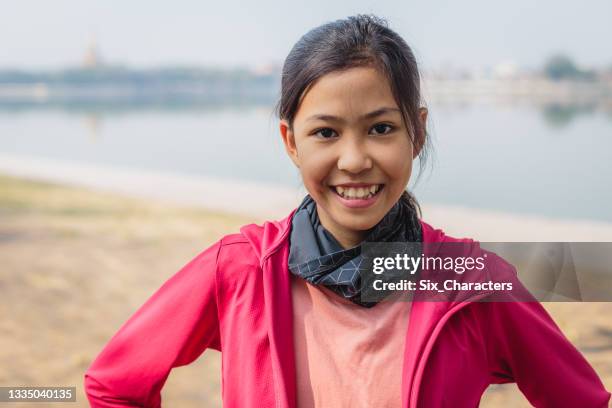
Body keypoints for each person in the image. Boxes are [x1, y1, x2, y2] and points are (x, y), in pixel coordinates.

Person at [84, 14, 611, 407]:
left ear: (418, 132)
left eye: (382, 128)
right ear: (292, 142)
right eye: (326, 133)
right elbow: (114, 384)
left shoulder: (472, 283)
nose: (355, 160)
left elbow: (582, 399)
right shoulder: (242, 268)